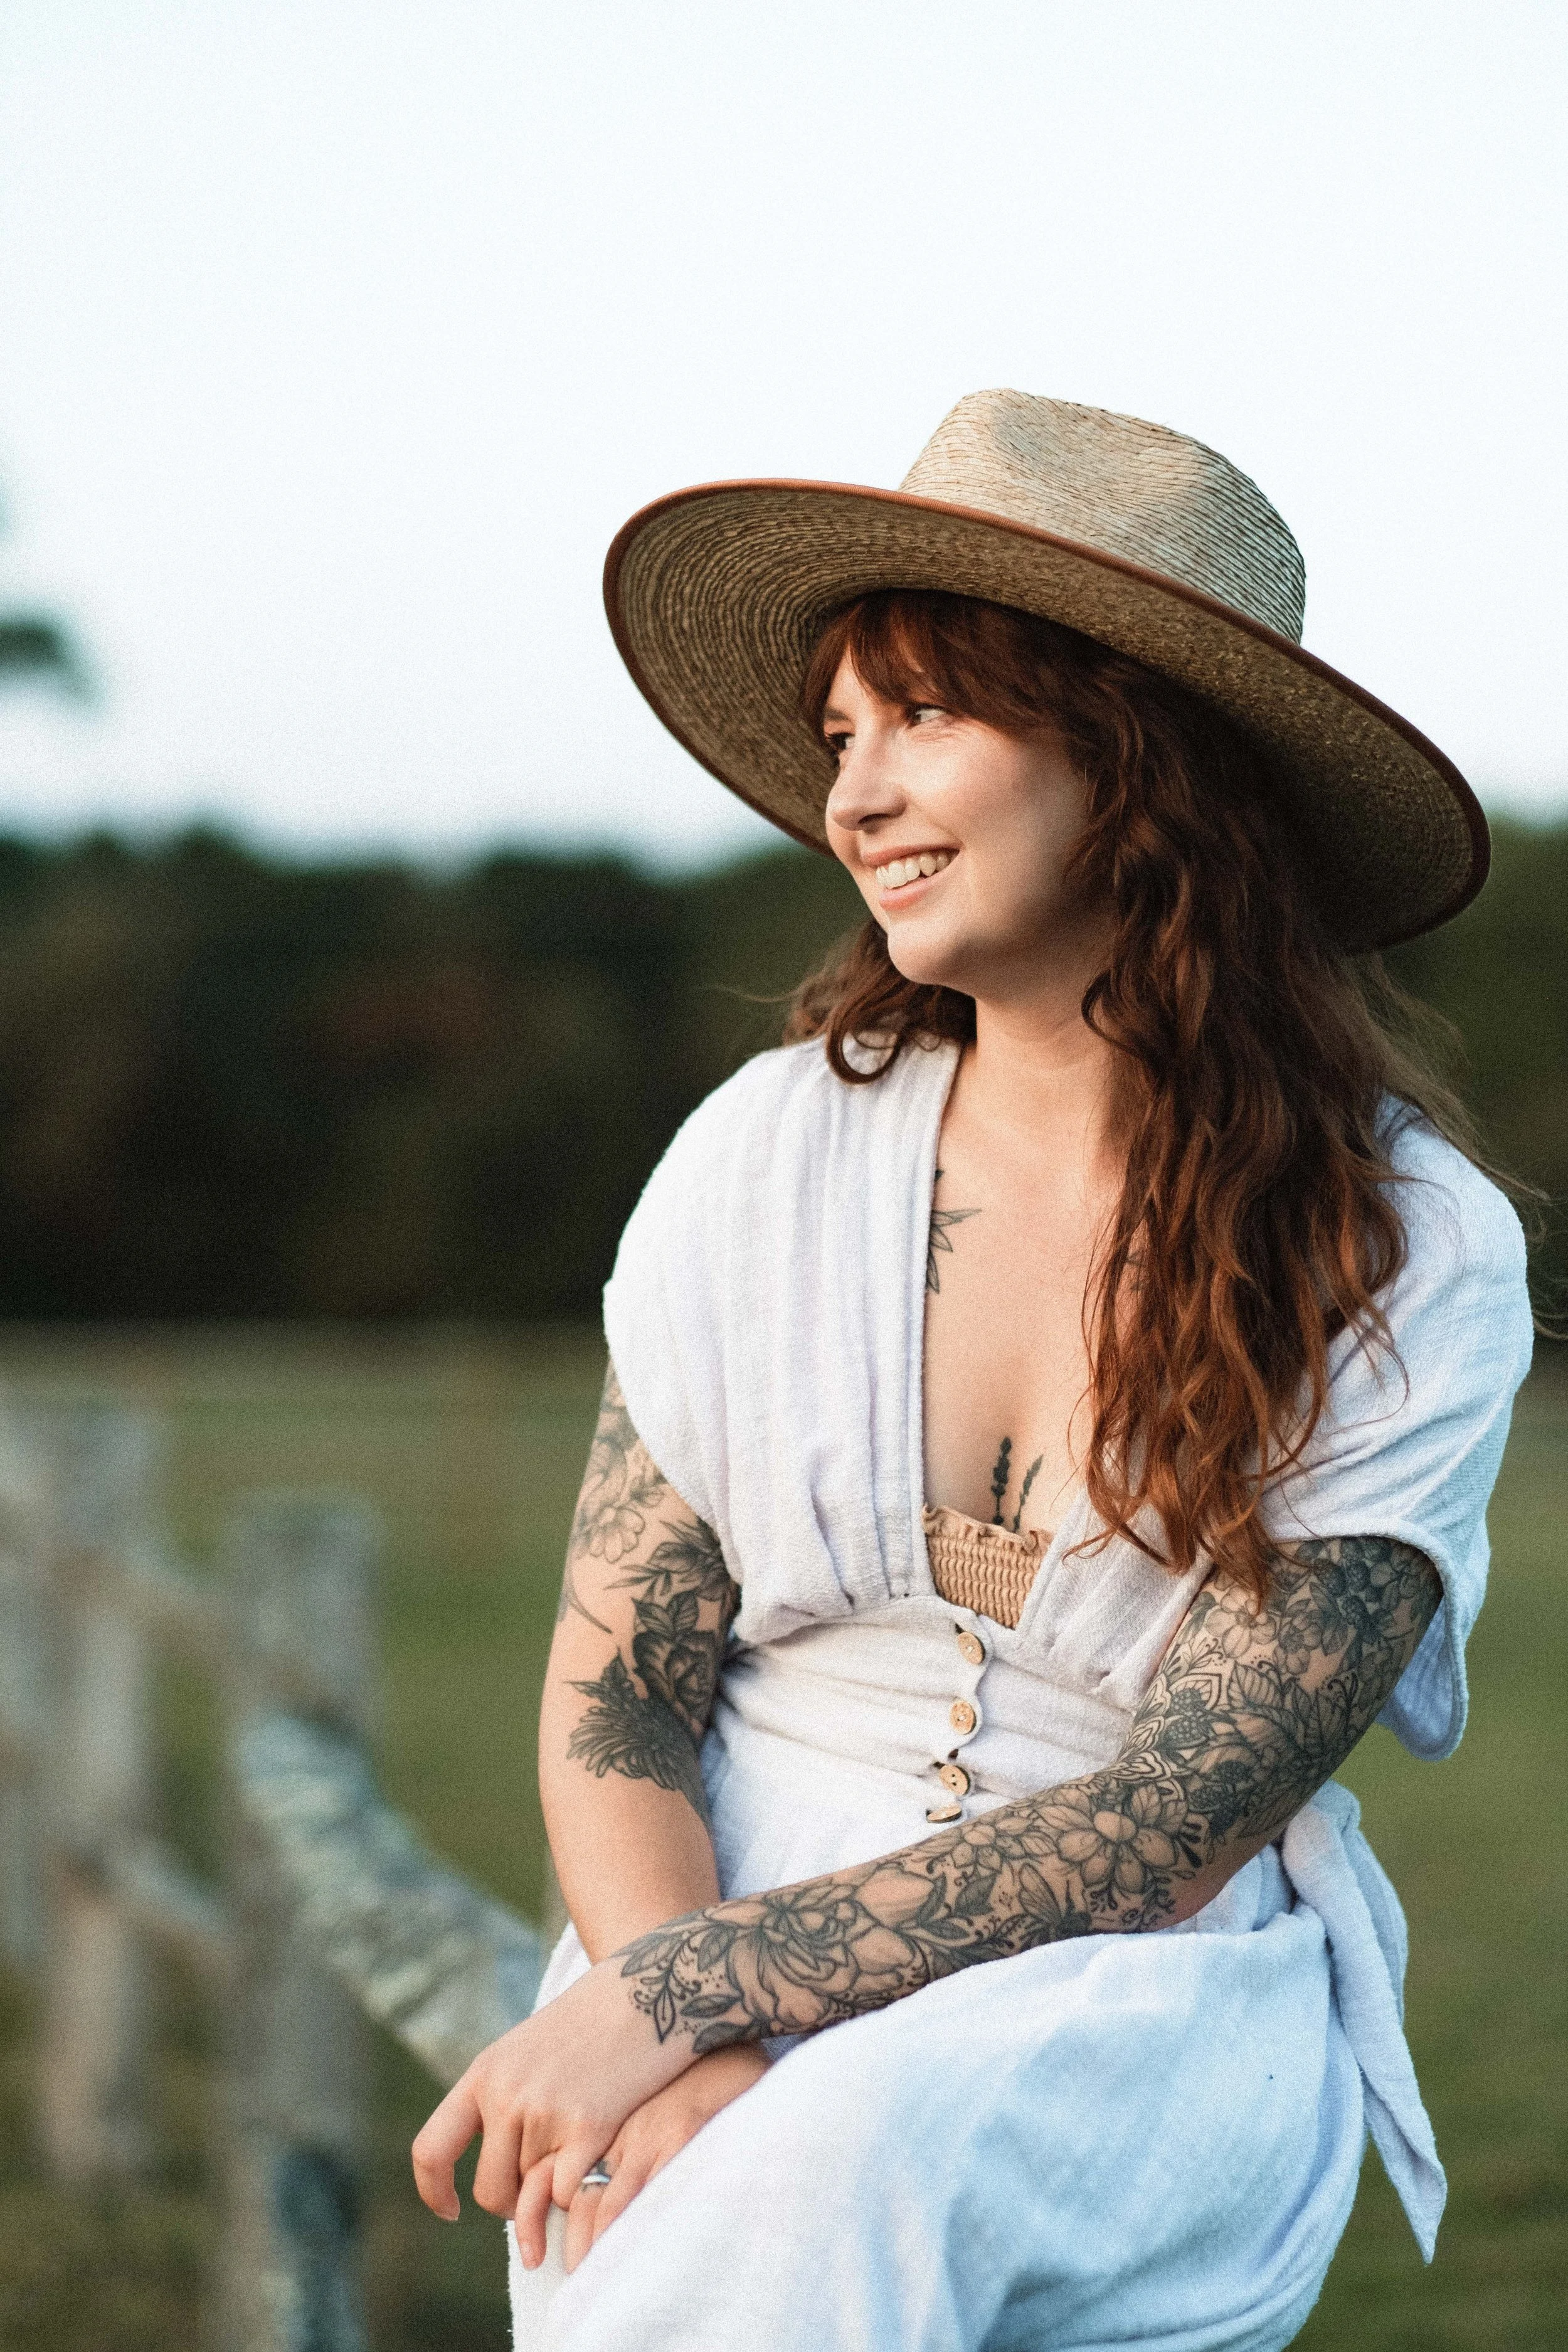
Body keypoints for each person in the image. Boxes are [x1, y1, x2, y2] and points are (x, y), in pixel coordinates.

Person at [411, 391, 1534, 2351]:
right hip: (690, 1908)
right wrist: (672, 2014)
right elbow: (620, 1687)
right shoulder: (763, 1154)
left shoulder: (1402, 1242)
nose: (850, 797)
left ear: (1141, 755)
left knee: (840, 2163)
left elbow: (1176, 1811)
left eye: (922, 714)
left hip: (1126, 2003)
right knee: (738, 2185)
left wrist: (685, 2001)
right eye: (839, 733)